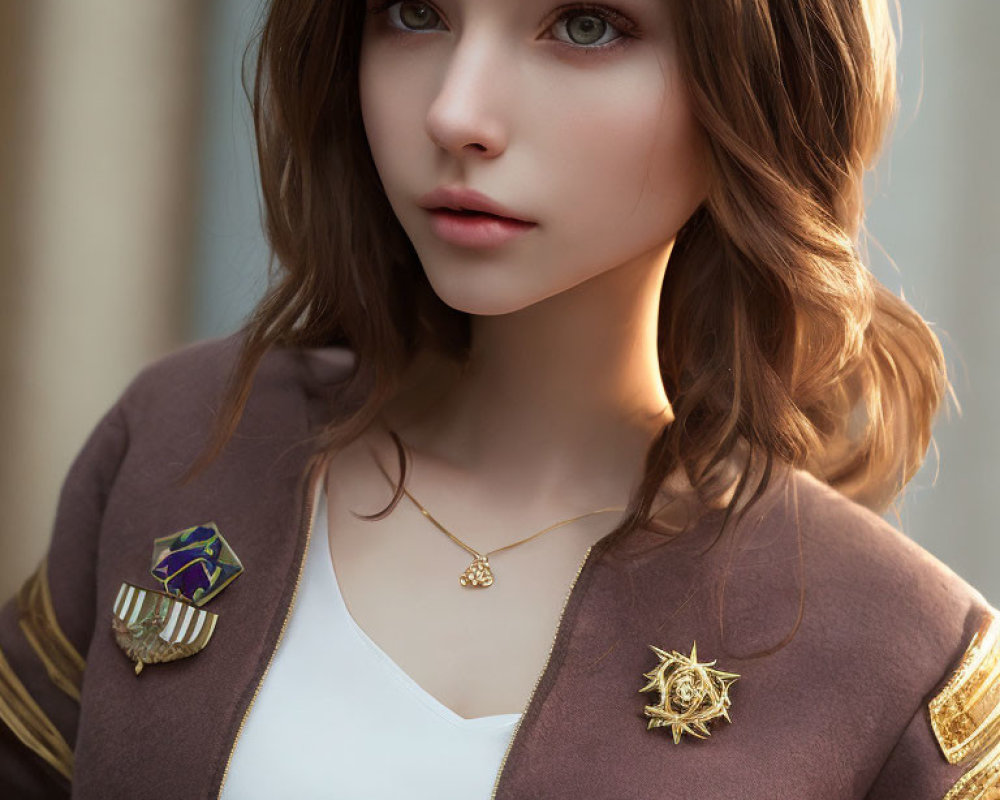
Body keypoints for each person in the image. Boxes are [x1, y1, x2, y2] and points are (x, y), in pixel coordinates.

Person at [1, 0, 996, 797]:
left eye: (586, 25)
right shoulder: (183, 438)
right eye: (413, 12)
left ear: (757, 77)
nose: (455, 112)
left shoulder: (899, 655)